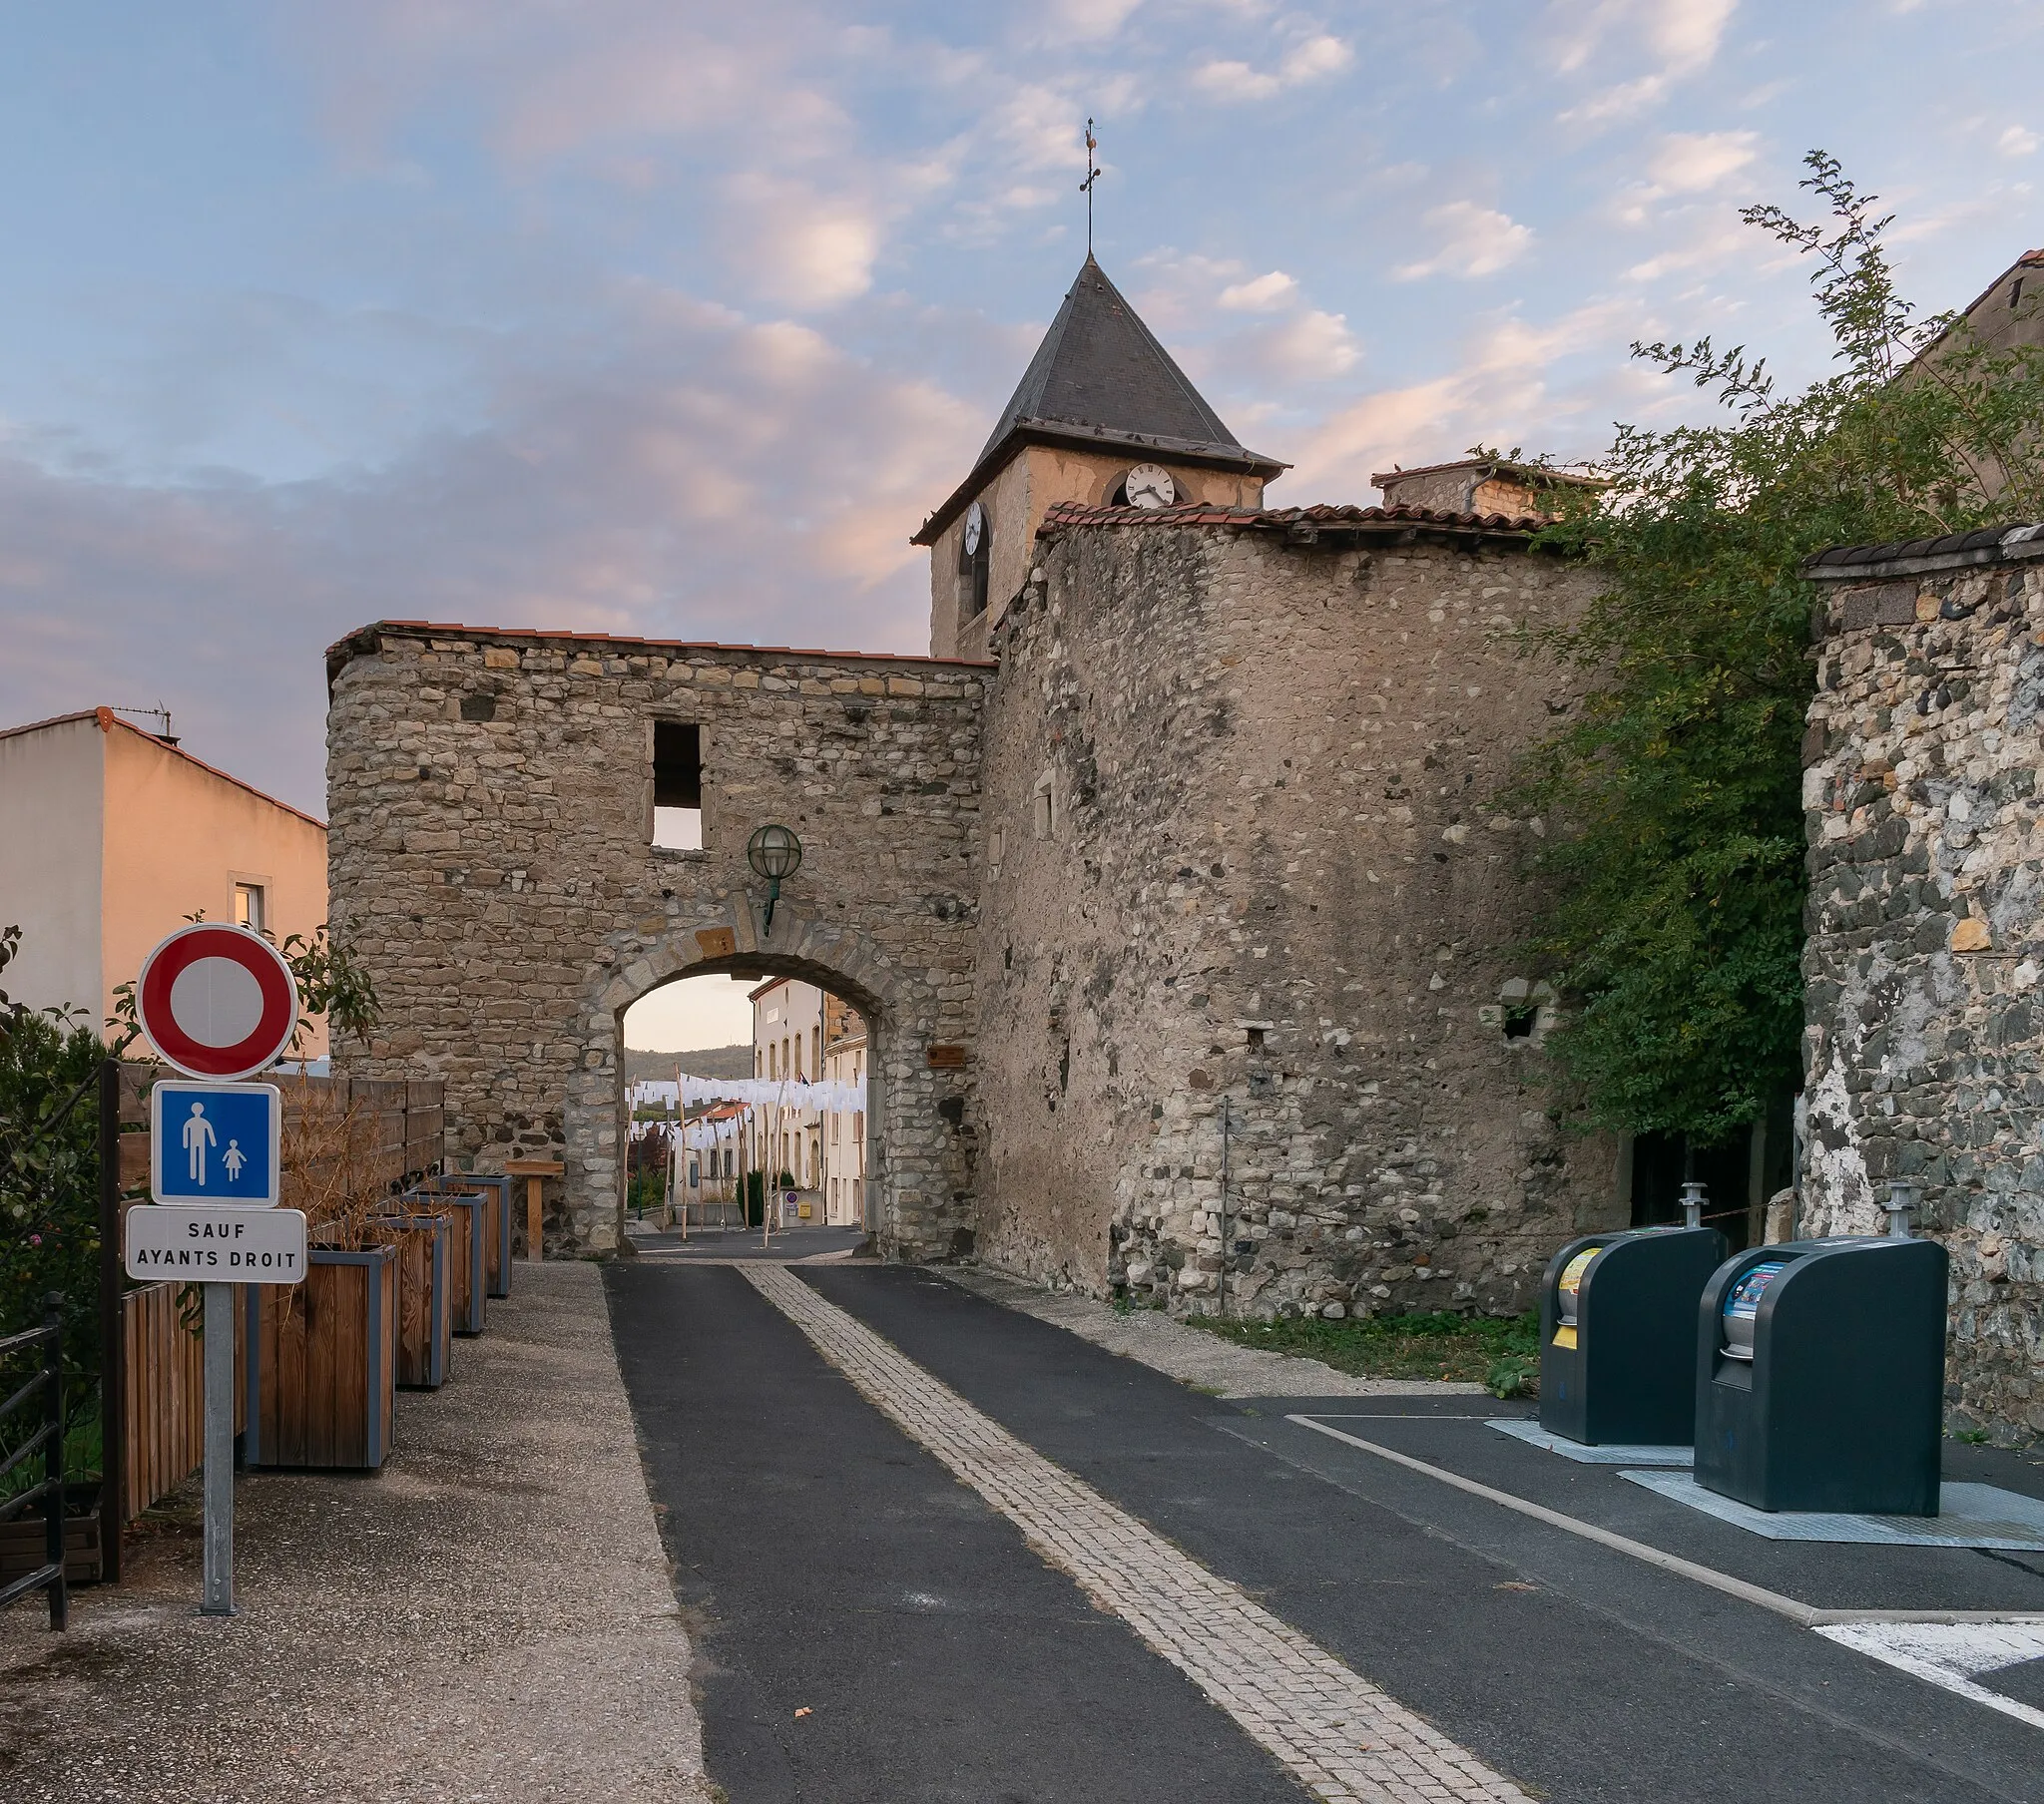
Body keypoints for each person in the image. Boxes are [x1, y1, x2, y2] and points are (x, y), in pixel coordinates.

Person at [183, 1102, 217, 1185]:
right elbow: (185, 1130)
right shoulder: (202, 1121)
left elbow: (209, 1131)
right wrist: (185, 1143)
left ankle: (197, 1176)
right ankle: (196, 1176)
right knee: (198, 1157)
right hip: (196, 1142)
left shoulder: (192, 1121)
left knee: (197, 1157)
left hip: (198, 1142)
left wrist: (213, 1142)